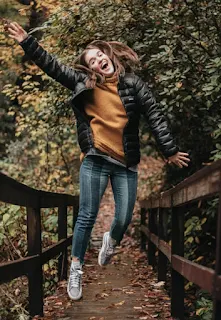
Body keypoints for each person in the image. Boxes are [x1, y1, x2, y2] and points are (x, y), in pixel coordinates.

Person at [4, 21, 190, 301]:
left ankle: (111, 240)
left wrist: (169, 149)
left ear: (108, 55)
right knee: (87, 216)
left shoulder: (133, 84)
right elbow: (52, 66)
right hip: (96, 158)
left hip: (126, 163)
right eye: (92, 61)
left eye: (99, 56)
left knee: (124, 217)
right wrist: (26, 41)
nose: (98, 61)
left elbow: (154, 114)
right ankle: (77, 268)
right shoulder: (84, 83)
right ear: (90, 69)